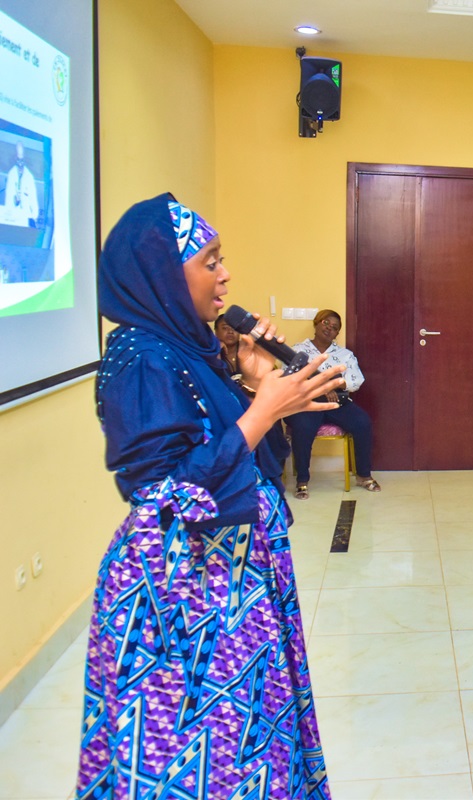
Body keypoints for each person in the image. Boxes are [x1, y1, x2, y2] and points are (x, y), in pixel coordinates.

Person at [81, 194, 336, 795]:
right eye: (210, 261)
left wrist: (254, 387)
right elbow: (165, 493)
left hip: (229, 576)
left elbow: (228, 450)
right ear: (163, 274)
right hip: (185, 597)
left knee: (256, 743)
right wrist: (263, 410)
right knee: (205, 764)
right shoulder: (141, 359)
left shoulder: (183, 347)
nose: (225, 275)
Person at [289, 309, 382, 498]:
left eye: (334, 327)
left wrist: (333, 384)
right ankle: (302, 481)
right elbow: (289, 378)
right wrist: (323, 387)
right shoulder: (298, 350)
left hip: (337, 401)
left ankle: (363, 475)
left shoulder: (344, 354)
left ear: (337, 333)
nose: (329, 328)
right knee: (302, 427)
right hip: (307, 402)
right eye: (326, 323)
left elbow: (356, 380)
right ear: (316, 323)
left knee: (362, 422)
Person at [4, 142, 39, 226]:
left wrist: (34, 216)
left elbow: (33, 198)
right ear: (15, 157)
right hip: (14, 217)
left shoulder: (29, 177)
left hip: (27, 217)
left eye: (22, 159)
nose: (20, 162)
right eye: (18, 159)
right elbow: (8, 198)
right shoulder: (11, 174)